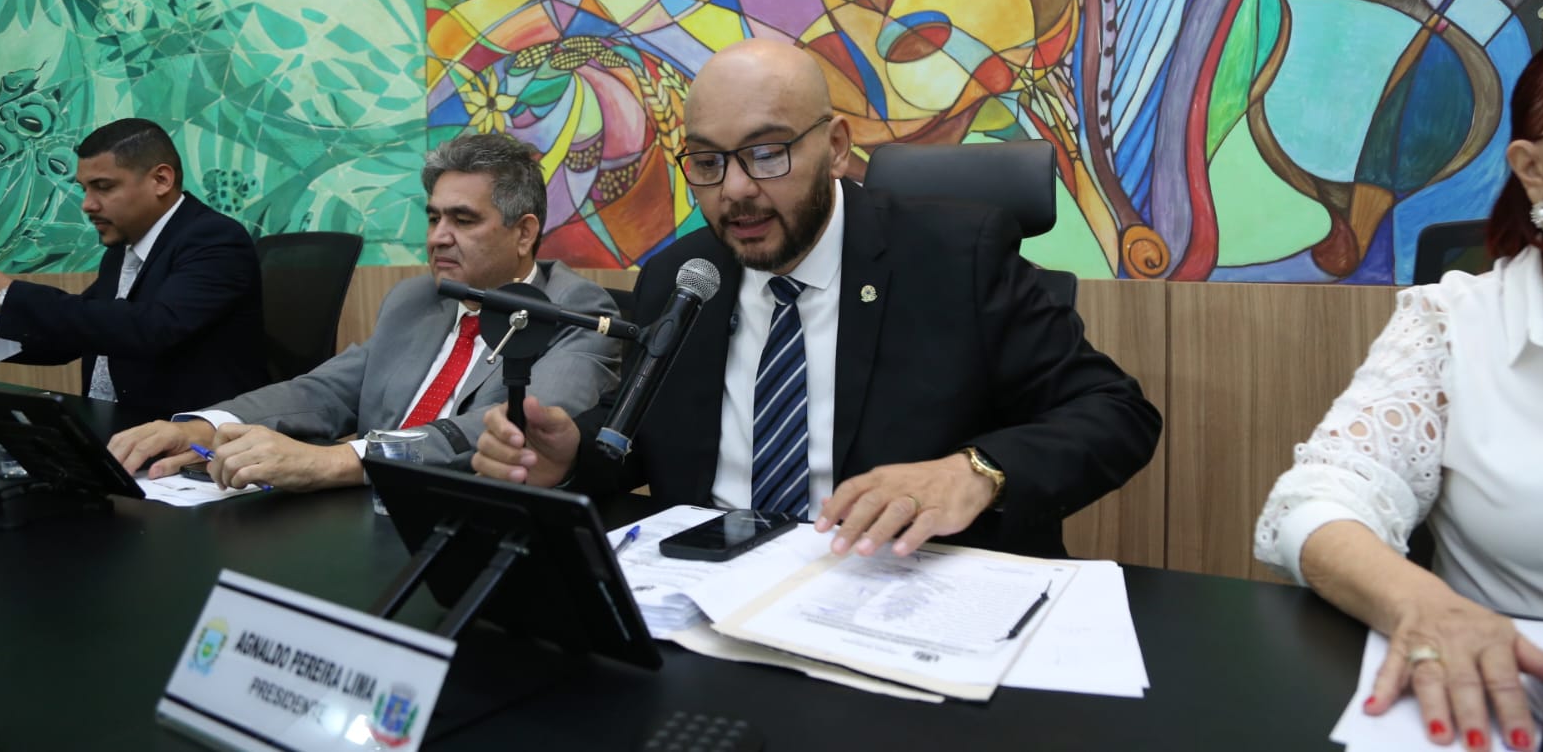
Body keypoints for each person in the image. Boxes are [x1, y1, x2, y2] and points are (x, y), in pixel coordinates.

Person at [472, 40, 1161, 558]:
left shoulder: (957, 257)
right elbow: (655, 441)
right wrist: (573, 456)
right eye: (707, 162)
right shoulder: (682, 276)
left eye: (767, 153)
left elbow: (1114, 412)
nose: (735, 189)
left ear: (834, 147)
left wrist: (976, 472)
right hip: (710, 597)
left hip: (894, 595)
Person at [1254, 28, 1543, 751]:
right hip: (1525, 706)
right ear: (1533, 171)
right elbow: (1315, 502)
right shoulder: (1455, 322)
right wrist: (1425, 606)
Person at [108, 134, 622, 492]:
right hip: (366, 509)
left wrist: (336, 460)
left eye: (463, 220)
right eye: (434, 218)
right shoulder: (416, 299)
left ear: (524, 232)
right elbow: (325, 390)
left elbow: (510, 432)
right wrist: (208, 426)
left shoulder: (576, 310)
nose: (438, 237)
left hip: (466, 519)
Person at [0, 117, 266, 418]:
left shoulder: (215, 239)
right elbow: (76, 334)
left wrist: (7, 293)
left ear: (161, 180)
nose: (87, 204)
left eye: (103, 187)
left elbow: (153, 328)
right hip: (114, 430)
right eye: (85, 189)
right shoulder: (121, 251)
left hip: (189, 437)